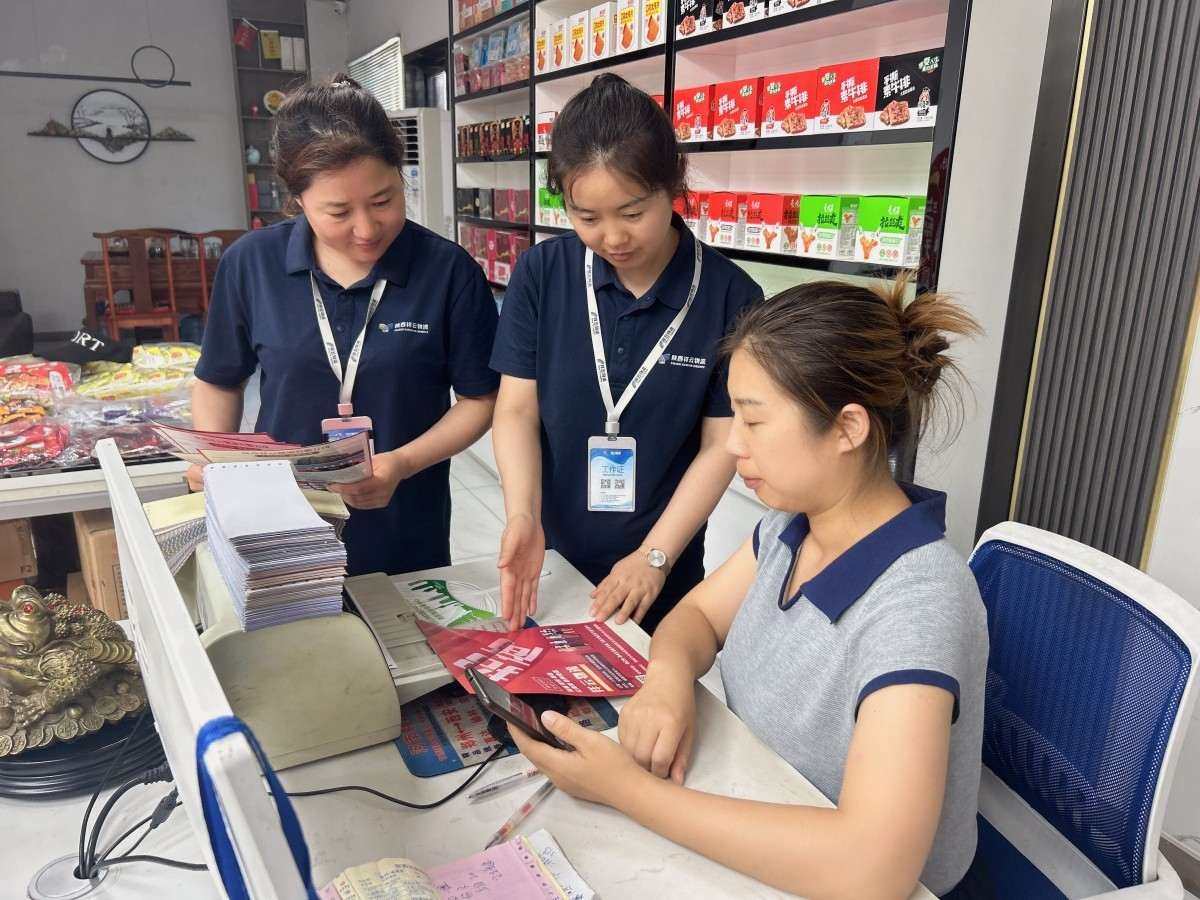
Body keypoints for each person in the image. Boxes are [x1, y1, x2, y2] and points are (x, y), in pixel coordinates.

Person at [510, 280, 992, 899]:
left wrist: (626, 791)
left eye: (755, 419)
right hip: (755, 798)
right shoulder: (792, 526)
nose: (734, 443)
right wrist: (667, 680)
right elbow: (697, 618)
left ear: (847, 427)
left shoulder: (919, 602)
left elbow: (872, 871)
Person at [191, 75, 499, 577]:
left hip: (403, 517)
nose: (367, 228)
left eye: (383, 201)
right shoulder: (252, 263)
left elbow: (479, 400)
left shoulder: (447, 271)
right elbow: (219, 380)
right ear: (297, 199)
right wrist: (213, 455)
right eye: (338, 211)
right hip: (282, 517)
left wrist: (402, 463)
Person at [490, 74, 762, 633]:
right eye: (587, 218)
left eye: (633, 213)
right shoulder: (542, 274)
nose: (612, 238)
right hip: (551, 557)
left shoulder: (730, 295)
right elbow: (516, 409)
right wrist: (522, 514)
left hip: (660, 566)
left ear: (673, 184)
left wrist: (654, 556)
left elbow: (720, 445)